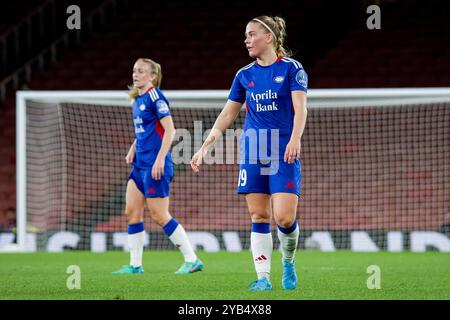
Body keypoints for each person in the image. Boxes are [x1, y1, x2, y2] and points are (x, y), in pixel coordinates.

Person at [191, 16, 307, 291]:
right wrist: (206, 145)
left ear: (269, 37)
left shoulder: (292, 69)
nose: (246, 40)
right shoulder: (244, 75)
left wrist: (295, 139)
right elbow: (228, 113)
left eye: (251, 34)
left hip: (282, 151)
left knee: (285, 218)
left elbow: (301, 109)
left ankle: (288, 262)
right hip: (253, 150)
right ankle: (263, 277)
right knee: (258, 216)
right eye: (245, 35)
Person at [113, 58, 204, 275]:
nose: (135, 75)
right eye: (134, 70)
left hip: (155, 166)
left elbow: (170, 130)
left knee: (160, 215)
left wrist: (160, 159)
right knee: (132, 212)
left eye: (141, 71)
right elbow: (144, 130)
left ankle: (192, 260)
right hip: (139, 165)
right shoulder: (137, 99)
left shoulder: (156, 97)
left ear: (152, 76)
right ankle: (135, 266)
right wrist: (132, 148)